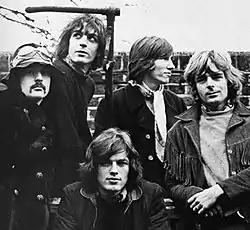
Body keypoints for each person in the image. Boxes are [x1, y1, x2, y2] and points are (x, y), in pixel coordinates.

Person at [164, 50, 250, 230]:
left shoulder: (248, 123)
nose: (210, 85)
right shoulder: (180, 131)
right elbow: (172, 183)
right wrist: (199, 196)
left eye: (216, 77)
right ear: (195, 87)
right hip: (201, 221)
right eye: (202, 80)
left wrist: (218, 191)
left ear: (229, 80)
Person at [94, 36, 187, 188]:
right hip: (131, 190)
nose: (171, 66)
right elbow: (102, 153)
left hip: (169, 190)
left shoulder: (175, 103)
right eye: (164, 58)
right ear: (145, 62)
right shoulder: (115, 102)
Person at [52, 127, 170, 230]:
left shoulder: (150, 195)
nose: (114, 171)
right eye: (105, 163)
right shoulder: (74, 196)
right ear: (94, 167)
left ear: (130, 167)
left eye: (121, 163)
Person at [0, 43, 60, 230]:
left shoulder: (54, 116)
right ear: (17, 78)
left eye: (45, 72)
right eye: (30, 72)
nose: (39, 78)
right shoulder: (5, 112)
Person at [52, 14, 106, 194]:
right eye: (77, 35)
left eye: (92, 39)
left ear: (99, 50)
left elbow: (80, 128)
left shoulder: (87, 83)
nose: (83, 43)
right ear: (67, 43)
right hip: (54, 166)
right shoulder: (59, 74)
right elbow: (65, 132)